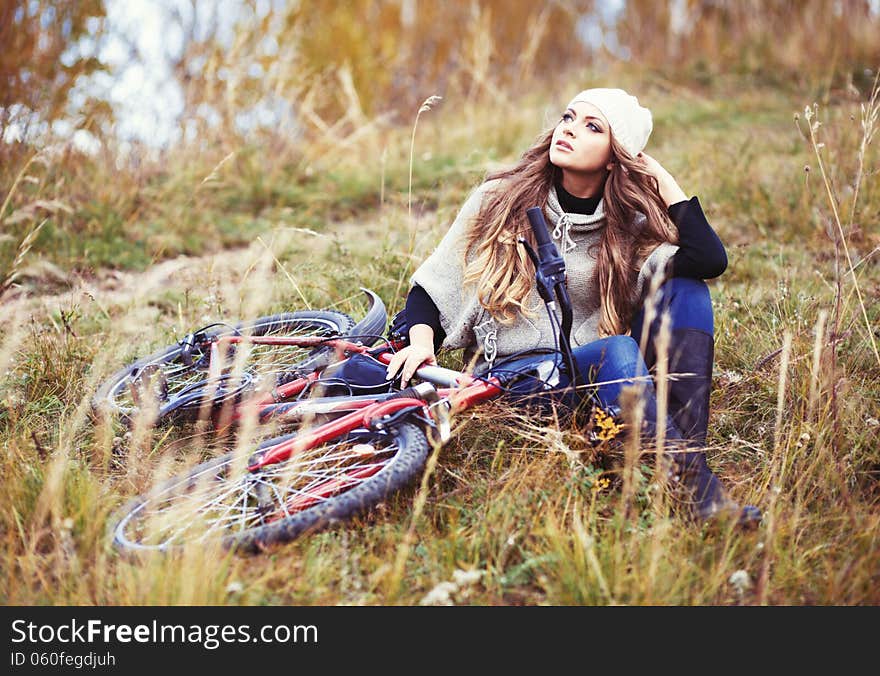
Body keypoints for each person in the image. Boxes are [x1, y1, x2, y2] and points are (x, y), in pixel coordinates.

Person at [385, 87, 761, 527]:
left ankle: (670, 460)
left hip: (585, 373)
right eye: (568, 117)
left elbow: (710, 258)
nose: (569, 129)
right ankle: (697, 496)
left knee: (689, 290)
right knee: (618, 351)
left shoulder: (626, 230)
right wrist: (421, 342)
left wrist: (655, 175)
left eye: (592, 126)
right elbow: (433, 286)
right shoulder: (500, 199)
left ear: (615, 156)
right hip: (517, 380)